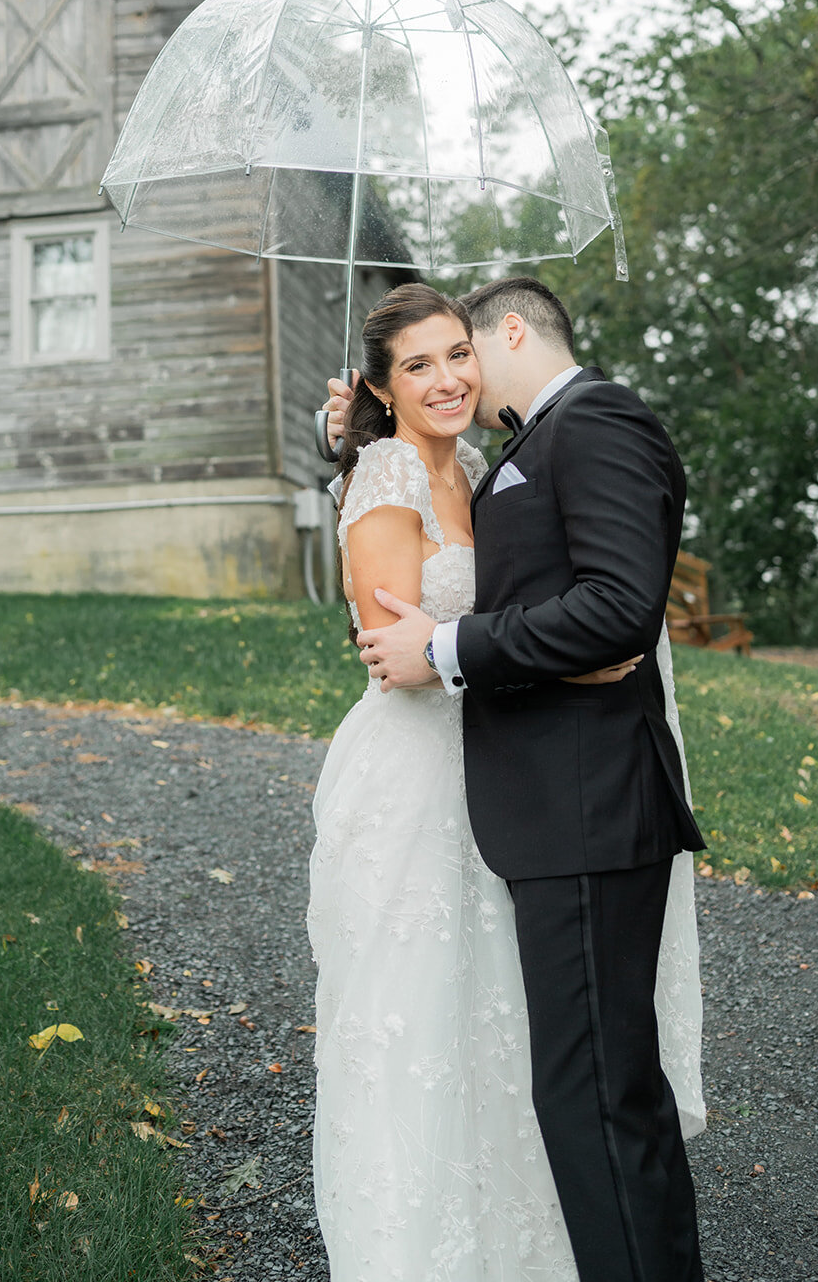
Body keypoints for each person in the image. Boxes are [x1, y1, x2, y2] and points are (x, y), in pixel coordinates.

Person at [311, 280, 704, 1282]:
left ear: (497, 345)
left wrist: (489, 644)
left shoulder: (497, 462)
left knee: (538, 1049)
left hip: (522, 774)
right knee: (433, 1030)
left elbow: (576, 599)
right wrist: (355, 454)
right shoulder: (396, 468)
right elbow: (386, 622)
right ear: (382, 386)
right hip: (421, 772)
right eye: (418, 364)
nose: (447, 377)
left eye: (457, 353)